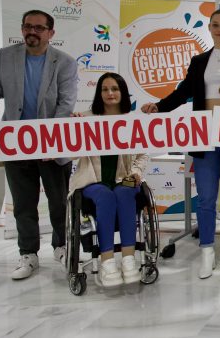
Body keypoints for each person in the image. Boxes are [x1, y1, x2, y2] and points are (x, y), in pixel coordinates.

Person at [141, 7, 220, 281]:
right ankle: (207, 253)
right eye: (216, 25)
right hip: (204, 136)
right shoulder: (199, 61)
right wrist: (159, 107)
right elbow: (183, 91)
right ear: (210, 28)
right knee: (207, 200)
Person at [0, 10, 78, 280]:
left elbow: (65, 105)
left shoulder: (64, 62)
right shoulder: (5, 57)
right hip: (15, 145)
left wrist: (49, 144)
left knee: (58, 203)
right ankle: (28, 254)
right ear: (22, 29)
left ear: (51, 33)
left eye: (39, 28)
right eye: (28, 27)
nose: (32, 32)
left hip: (53, 148)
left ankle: (61, 247)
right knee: (23, 203)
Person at [70, 73, 148, 287]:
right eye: (105, 89)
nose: (110, 93)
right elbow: (70, 154)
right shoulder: (83, 118)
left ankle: (129, 259)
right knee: (105, 196)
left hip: (123, 180)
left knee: (123, 193)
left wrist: (136, 173)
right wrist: (71, 128)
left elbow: (142, 155)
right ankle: (107, 263)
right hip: (92, 182)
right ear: (99, 93)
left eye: (115, 88)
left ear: (122, 92)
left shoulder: (132, 121)